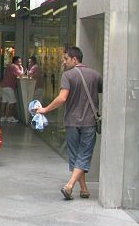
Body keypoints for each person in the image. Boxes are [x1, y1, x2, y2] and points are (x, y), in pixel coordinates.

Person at [35, 46, 102, 200]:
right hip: (89, 122)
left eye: (66, 59)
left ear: (75, 59)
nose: (63, 62)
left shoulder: (68, 75)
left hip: (72, 121)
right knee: (83, 155)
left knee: (76, 155)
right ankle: (83, 188)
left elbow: (62, 98)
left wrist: (45, 109)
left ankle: (70, 186)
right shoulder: (94, 75)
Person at [0, 56, 24, 123]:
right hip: (9, 87)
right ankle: (10, 117)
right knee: (12, 102)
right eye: (19, 61)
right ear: (15, 61)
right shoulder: (14, 66)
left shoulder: (9, 66)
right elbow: (20, 74)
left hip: (4, 86)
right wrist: (21, 68)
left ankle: (2, 117)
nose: (20, 63)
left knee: (4, 101)